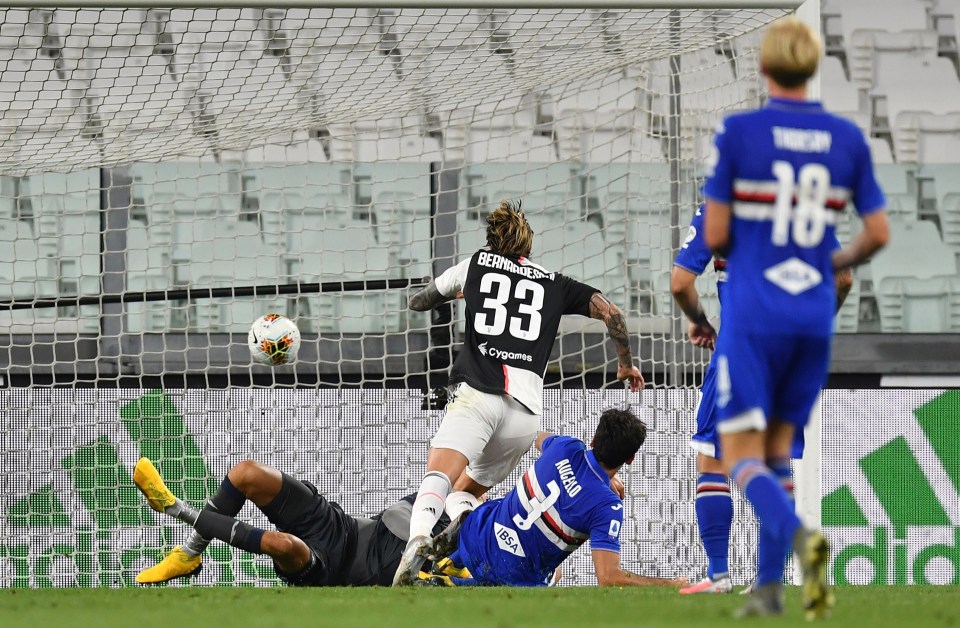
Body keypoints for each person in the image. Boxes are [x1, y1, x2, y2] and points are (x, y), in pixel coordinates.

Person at [702, 17, 889, 618]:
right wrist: (830, 257)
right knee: (778, 450)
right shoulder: (846, 138)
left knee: (738, 453)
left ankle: (805, 540)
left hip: (756, 312)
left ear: (764, 67)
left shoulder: (741, 133)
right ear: (814, 67)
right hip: (812, 314)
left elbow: (717, 234)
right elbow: (877, 233)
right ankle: (769, 590)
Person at [394, 200, 644, 585]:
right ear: (529, 245)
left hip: (478, 395)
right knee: (468, 491)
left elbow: (423, 300)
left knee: (440, 477)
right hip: (525, 416)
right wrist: (625, 361)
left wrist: (458, 293)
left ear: (492, 240)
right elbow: (612, 313)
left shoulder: (476, 264)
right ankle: (456, 532)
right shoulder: (555, 283)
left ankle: (418, 539)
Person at [671, 204, 852, 595]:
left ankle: (720, 575)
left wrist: (700, 321)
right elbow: (844, 278)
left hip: (743, 347)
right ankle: (769, 581)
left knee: (714, 458)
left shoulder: (720, 205)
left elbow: (680, 283)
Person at [417, 407, 684, 589]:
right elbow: (609, 577)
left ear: (592, 439)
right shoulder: (608, 505)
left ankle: (448, 559)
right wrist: (669, 585)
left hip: (477, 534)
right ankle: (452, 582)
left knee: (463, 494)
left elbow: (532, 436)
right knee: (553, 574)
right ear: (630, 459)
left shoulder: (565, 446)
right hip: (512, 574)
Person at [131, 457, 451, 587]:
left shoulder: (454, 560)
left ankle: (174, 508)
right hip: (336, 526)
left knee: (279, 544)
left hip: (329, 568)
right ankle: (188, 554)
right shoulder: (440, 505)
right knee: (247, 474)